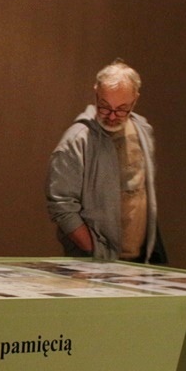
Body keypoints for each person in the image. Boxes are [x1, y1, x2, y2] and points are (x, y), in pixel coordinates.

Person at [45, 59, 163, 262]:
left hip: (140, 260)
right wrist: (96, 251)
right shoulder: (77, 140)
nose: (112, 116)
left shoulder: (143, 131)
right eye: (104, 107)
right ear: (96, 94)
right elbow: (62, 205)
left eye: (122, 109)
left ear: (135, 100)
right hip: (96, 262)